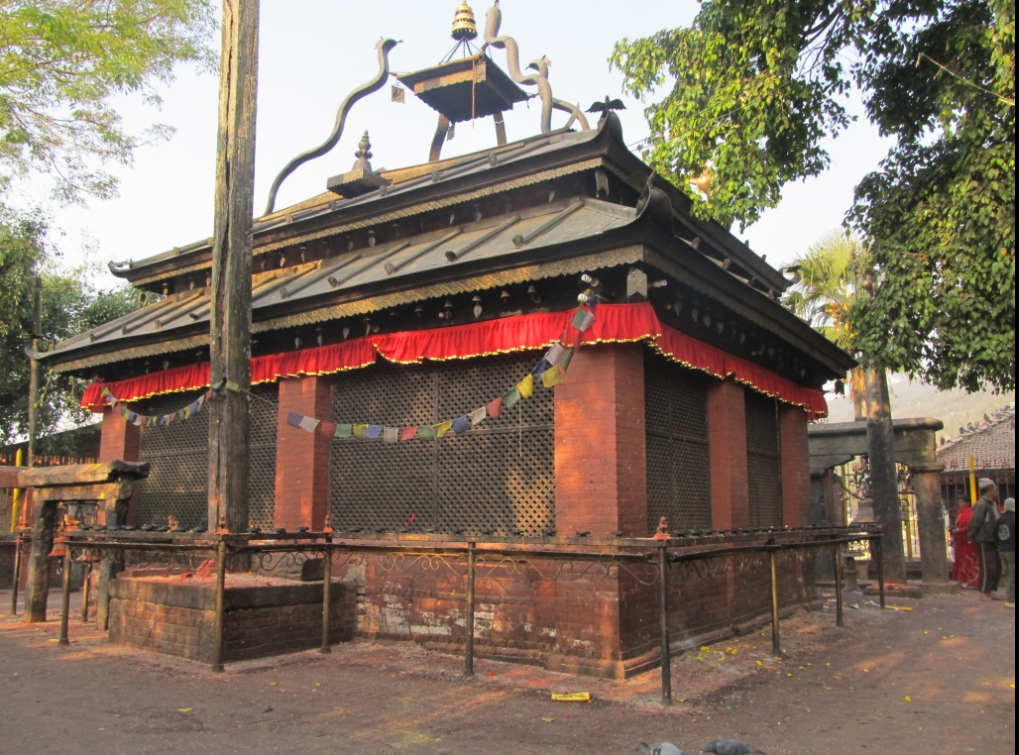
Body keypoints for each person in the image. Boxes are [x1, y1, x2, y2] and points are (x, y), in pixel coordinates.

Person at [967, 478, 1002, 601]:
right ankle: (984, 592)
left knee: (997, 566)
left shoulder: (992, 504)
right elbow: (975, 521)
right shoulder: (981, 504)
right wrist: (971, 535)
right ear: (990, 490)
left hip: (993, 539)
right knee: (987, 566)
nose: (996, 492)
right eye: (995, 489)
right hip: (984, 539)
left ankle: (991, 590)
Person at [950, 498, 980, 588]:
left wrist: (959, 530)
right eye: (959, 501)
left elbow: (971, 527)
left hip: (968, 540)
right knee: (961, 559)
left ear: (967, 503)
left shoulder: (970, 513)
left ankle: (971, 580)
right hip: (961, 540)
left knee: (968, 560)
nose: (960, 503)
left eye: (962, 502)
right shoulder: (960, 513)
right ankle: (962, 580)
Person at [995, 497, 1015, 608]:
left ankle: (1010, 597)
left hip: (1002, 550)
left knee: (1008, 574)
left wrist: (999, 546)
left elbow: (994, 535)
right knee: (1013, 575)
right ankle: (1011, 600)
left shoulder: (1000, 519)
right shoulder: (1013, 519)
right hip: (1012, 550)